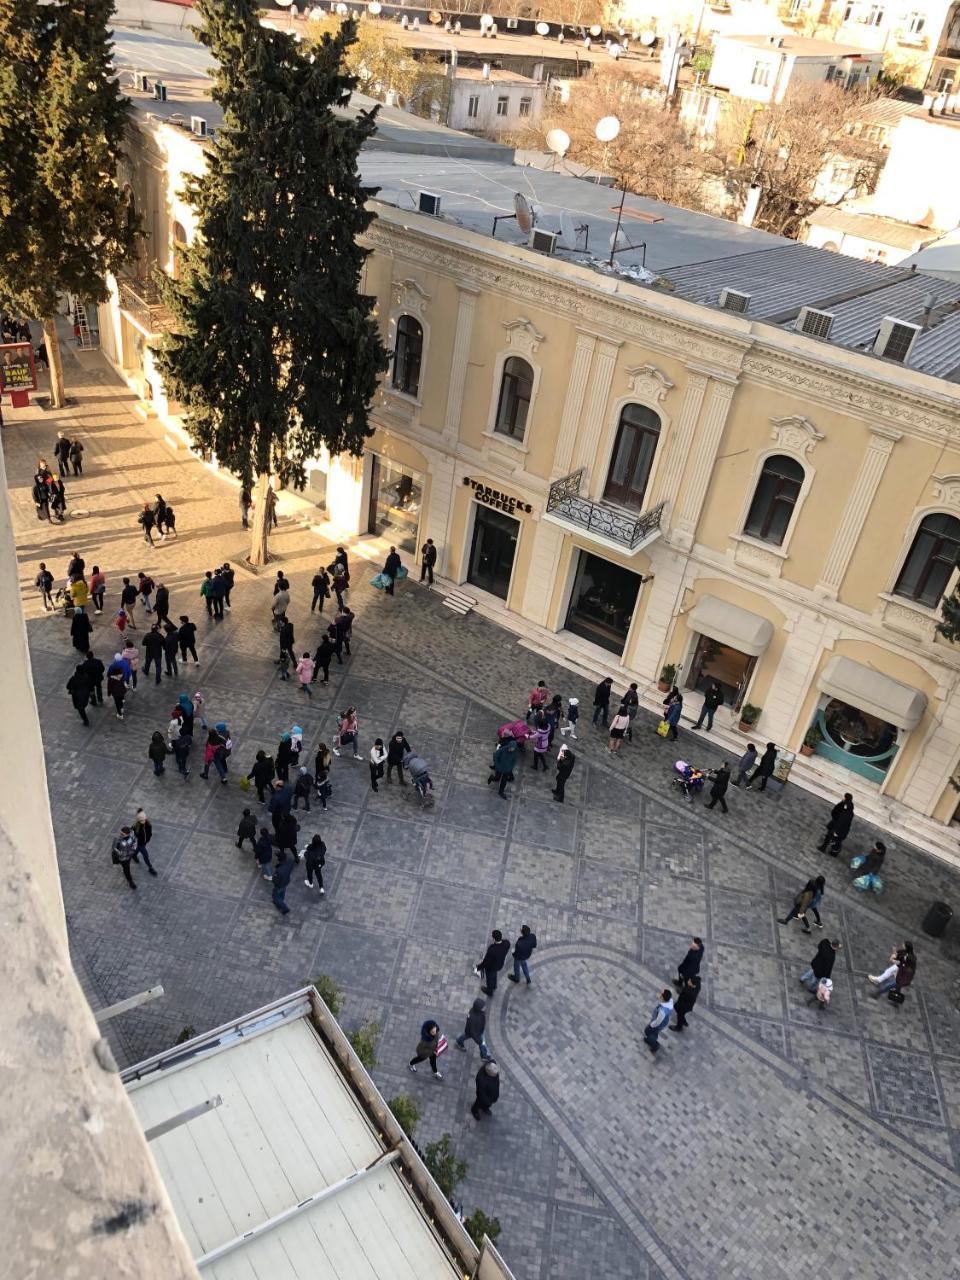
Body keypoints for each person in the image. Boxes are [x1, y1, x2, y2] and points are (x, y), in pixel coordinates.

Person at [476, 929, 510, 996]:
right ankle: (494, 986)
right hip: (499, 964)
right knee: (494, 975)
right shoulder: (506, 943)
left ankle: (489, 991)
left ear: (494, 938)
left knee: (489, 979)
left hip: (491, 967)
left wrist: (479, 967)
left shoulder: (492, 950)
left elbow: (486, 962)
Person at [644, 989, 675, 1055]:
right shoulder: (669, 1002)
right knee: (651, 1032)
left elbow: (658, 1021)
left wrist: (651, 1025)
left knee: (648, 1031)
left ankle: (655, 1044)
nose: (660, 994)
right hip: (663, 1022)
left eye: (662, 994)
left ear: (663, 997)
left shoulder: (662, 1011)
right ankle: (650, 1040)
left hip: (657, 1024)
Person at [132, 809, 158, 876]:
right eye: (141, 820)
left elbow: (150, 833)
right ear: (139, 820)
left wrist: (148, 838)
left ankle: (134, 855)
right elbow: (133, 832)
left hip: (145, 842)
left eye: (144, 819)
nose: (143, 821)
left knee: (138, 848)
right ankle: (150, 867)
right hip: (141, 843)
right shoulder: (136, 827)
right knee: (146, 856)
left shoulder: (149, 824)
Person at [271, 849, 293, 915]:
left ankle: (284, 908)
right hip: (286, 881)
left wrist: (273, 880)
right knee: (282, 893)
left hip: (279, 885)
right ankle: (280, 902)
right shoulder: (289, 862)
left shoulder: (279, 870)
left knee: (275, 896)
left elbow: (275, 880)